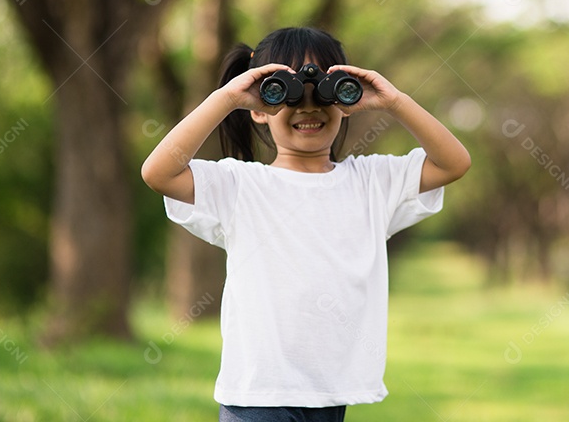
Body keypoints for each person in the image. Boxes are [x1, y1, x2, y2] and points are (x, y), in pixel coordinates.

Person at [141, 27, 471, 422]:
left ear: (345, 97)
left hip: (332, 393)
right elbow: (159, 171)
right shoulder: (240, 185)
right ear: (260, 107)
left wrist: (394, 102)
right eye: (289, 92)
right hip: (260, 395)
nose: (308, 106)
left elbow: (454, 162)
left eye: (324, 90)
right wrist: (228, 98)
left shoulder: (372, 182)